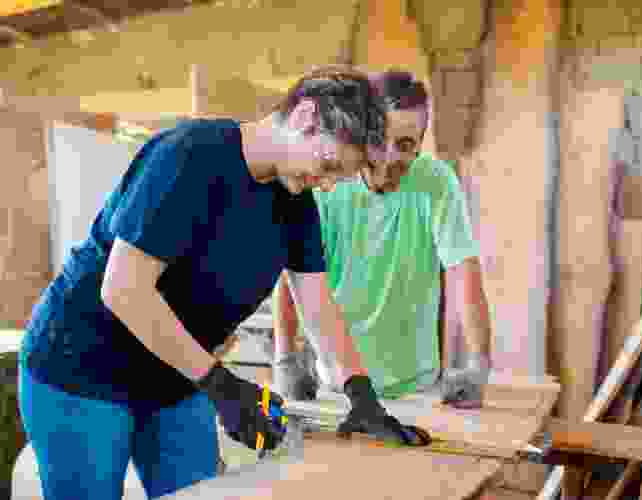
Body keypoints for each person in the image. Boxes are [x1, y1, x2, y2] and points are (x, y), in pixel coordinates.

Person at [18, 66, 428, 500]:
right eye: (327, 166)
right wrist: (221, 384)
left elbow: (318, 304)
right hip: (81, 369)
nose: (325, 185)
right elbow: (123, 289)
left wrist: (360, 394)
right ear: (306, 117)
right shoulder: (189, 156)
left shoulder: (296, 201)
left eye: (336, 177)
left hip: (176, 376)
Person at [273, 69, 493, 408]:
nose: (390, 158)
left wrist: (478, 364)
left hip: (417, 387)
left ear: (421, 143)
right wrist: (285, 358)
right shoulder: (328, 181)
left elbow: (463, 271)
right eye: (379, 141)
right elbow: (291, 273)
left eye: (406, 146)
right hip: (337, 385)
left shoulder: (437, 182)